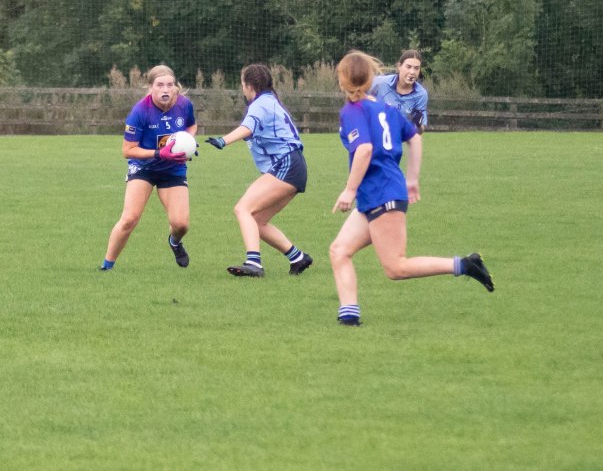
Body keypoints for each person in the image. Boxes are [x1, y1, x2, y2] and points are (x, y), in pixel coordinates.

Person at [329, 50, 492, 327]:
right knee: (339, 250)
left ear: (342, 80)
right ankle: (349, 316)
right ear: (369, 79)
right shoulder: (387, 109)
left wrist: (349, 190)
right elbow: (415, 138)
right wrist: (412, 179)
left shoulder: (353, 110)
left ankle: (465, 265)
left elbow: (364, 149)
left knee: (396, 267)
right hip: (379, 193)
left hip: (382, 193)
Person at [204, 63, 313, 278]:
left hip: (286, 164)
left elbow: (247, 128)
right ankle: (298, 258)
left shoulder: (260, 104)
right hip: (294, 166)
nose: (242, 89)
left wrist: (223, 141)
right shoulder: (269, 101)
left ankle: (254, 263)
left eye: (242, 84)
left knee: (243, 209)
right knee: (256, 221)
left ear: (249, 85)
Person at [100, 65, 195, 271]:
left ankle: (174, 242)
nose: (165, 89)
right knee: (129, 219)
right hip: (144, 168)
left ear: (175, 87)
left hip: (173, 169)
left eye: (169, 85)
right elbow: (127, 150)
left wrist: (188, 143)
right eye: (160, 85)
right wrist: (159, 153)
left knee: (181, 224)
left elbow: (191, 125)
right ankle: (106, 267)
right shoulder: (140, 111)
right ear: (150, 87)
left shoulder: (184, 105)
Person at [369, 49, 429, 132]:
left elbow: (420, 130)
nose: (412, 72)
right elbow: (359, 96)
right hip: (374, 134)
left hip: (397, 137)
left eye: (416, 68)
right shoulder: (380, 83)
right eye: (408, 67)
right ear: (399, 66)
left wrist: (418, 125)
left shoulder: (421, 94)